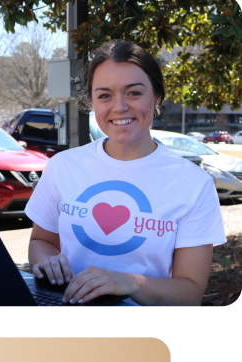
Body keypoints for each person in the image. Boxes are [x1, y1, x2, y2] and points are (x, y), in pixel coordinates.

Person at [26, 39, 225, 307]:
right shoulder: (63, 166)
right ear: (92, 102)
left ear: (157, 96)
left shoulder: (193, 183)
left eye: (133, 93)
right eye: (104, 95)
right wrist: (47, 261)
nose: (119, 107)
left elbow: (189, 294)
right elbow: (41, 241)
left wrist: (129, 282)